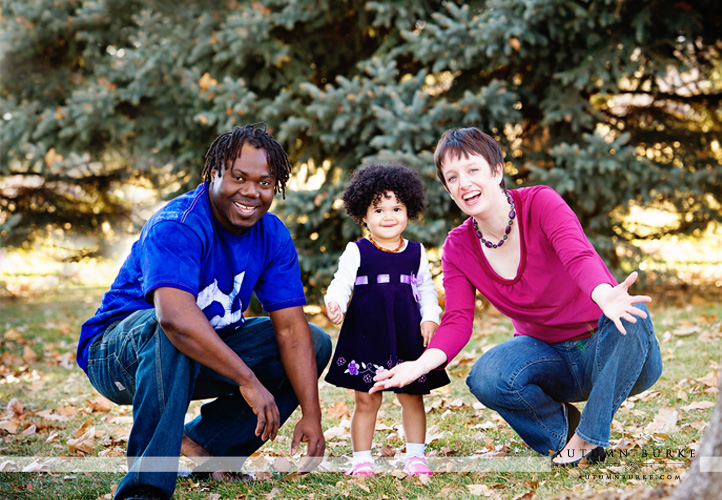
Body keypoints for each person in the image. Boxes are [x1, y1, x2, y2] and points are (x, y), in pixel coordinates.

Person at [371, 127, 662, 467]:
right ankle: (568, 438)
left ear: (497, 171)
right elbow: (459, 319)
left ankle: (587, 439)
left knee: (631, 314)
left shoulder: (540, 203)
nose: (463, 183)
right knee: (487, 376)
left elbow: (578, 256)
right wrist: (420, 365)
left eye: (473, 170)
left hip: (604, 350)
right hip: (548, 358)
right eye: (452, 177)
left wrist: (604, 296)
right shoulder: (458, 246)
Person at [77, 123, 332, 500]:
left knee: (315, 340)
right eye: (239, 177)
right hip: (117, 351)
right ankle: (145, 489)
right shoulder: (178, 224)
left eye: (264, 182)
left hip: (200, 348)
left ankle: (211, 453)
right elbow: (173, 318)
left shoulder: (272, 234)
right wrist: (248, 380)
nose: (251, 192)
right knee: (172, 331)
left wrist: (312, 414)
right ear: (214, 173)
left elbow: (292, 332)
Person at [324, 163, 449, 476]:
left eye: (397, 208)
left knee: (412, 397)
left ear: (409, 209)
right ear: (363, 215)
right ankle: (362, 460)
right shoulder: (357, 251)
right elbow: (342, 282)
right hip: (367, 333)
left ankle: (416, 456)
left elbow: (426, 289)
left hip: (407, 332)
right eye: (378, 210)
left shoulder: (417, 252)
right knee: (367, 400)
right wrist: (335, 301)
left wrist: (430, 317)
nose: (389, 216)